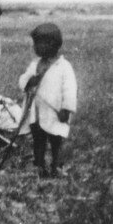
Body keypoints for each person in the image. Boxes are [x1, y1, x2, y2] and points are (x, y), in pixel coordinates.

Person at [18, 23, 77, 178]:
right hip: (37, 112)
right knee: (39, 139)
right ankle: (39, 165)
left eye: (39, 44)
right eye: (35, 44)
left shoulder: (63, 67)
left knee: (56, 140)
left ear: (53, 44)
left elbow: (70, 89)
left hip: (55, 112)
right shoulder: (35, 65)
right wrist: (29, 81)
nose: (35, 47)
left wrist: (66, 108)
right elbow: (23, 80)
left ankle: (56, 165)